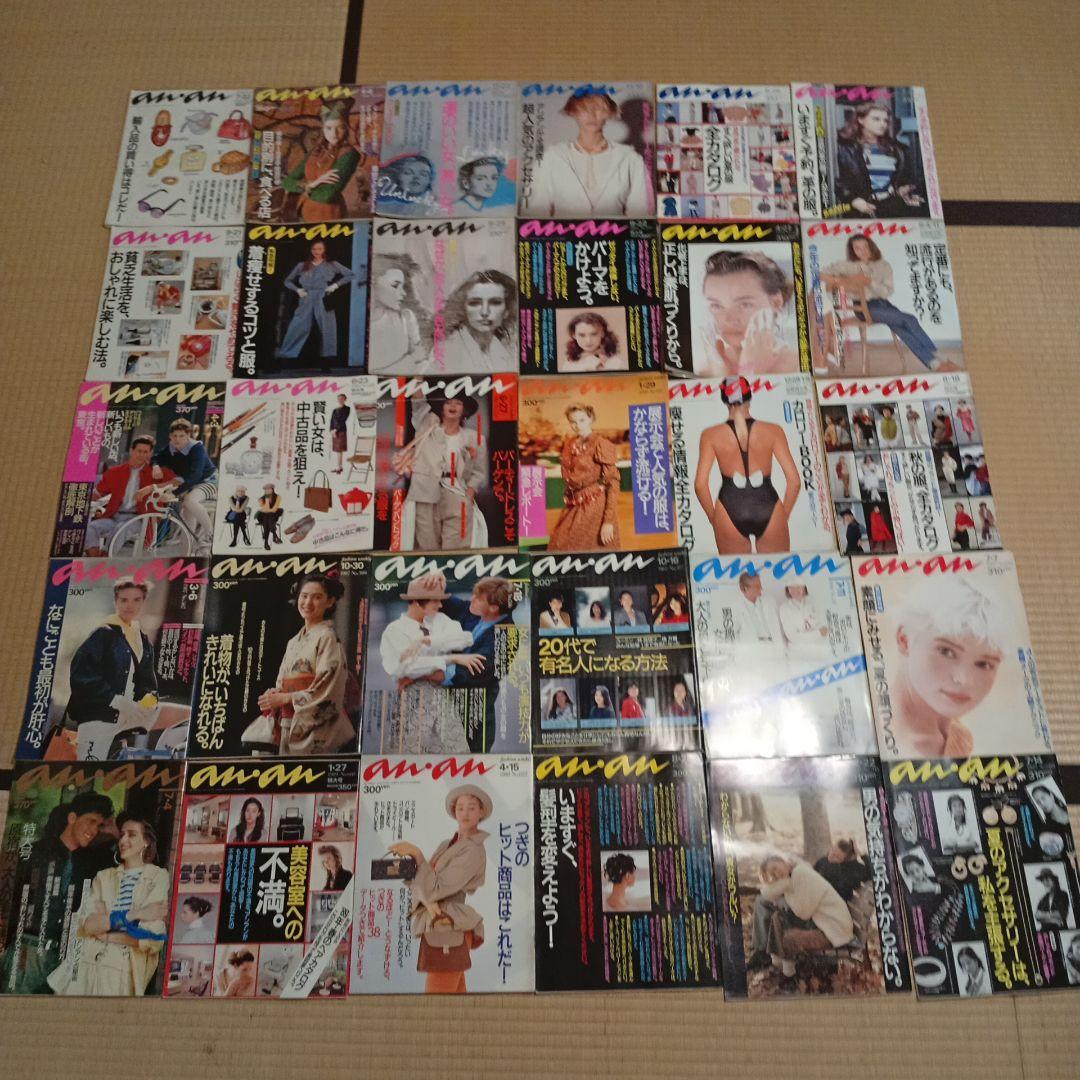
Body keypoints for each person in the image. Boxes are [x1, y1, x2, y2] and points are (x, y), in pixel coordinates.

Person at [0, 791, 114, 993]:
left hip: (64, 959)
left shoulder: (90, 863)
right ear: (72, 818)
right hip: (28, 951)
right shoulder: (34, 853)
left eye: (99, 825)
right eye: (90, 821)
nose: (94, 830)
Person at [387, 784, 492, 993]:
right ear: (454, 811)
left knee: (436, 1002)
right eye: (460, 807)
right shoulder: (448, 844)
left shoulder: (473, 849)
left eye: (472, 807)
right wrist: (402, 869)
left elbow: (434, 887)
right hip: (441, 923)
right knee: (455, 1000)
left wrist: (417, 855)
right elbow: (426, 881)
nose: (465, 813)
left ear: (481, 812)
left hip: (448, 924)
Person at [50, 815, 169, 996]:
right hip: (85, 965)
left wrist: (105, 934)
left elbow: (153, 937)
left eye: (132, 835)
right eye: (122, 835)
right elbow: (88, 925)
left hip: (122, 972)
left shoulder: (157, 876)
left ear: (146, 842)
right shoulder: (104, 877)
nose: (123, 840)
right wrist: (135, 914)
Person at [890, 574, 1009, 756]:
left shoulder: (959, 736)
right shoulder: (890, 738)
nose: (963, 679)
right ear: (905, 640)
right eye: (946, 652)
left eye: (984, 664)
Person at [253, 571, 357, 755]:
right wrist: (275, 694)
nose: (308, 603)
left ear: (330, 602)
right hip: (288, 723)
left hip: (315, 730)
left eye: (317, 597)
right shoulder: (293, 642)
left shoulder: (327, 637)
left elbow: (328, 690)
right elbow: (282, 683)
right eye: (304, 596)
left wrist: (286, 698)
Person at [693, 376, 801, 554]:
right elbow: (794, 481)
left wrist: (714, 519)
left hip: (728, 508)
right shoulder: (773, 430)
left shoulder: (710, 435)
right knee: (776, 571)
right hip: (769, 506)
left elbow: (700, 485)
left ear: (724, 401)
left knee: (736, 572)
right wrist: (784, 515)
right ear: (749, 398)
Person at [60, 576, 158, 754]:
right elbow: (81, 675)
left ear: (143, 602)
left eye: (136, 600)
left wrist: (149, 699)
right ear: (116, 602)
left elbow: (147, 682)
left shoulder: (143, 641)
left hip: (126, 723)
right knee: (90, 768)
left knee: (115, 771)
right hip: (97, 719)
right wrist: (116, 700)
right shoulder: (103, 634)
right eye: (124, 600)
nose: (130, 605)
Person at [823, 235, 943, 369]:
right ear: (853, 250)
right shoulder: (846, 266)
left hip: (884, 304)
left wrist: (870, 282)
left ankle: (932, 362)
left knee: (900, 327)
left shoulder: (884, 266)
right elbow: (821, 274)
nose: (862, 251)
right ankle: (935, 354)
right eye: (857, 248)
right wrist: (841, 281)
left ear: (871, 246)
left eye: (865, 246)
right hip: (863, 308)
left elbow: (887, 292)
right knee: (910, 319)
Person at [392, 387, 486, 551]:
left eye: (458, 403)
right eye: (448, 402)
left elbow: (478, 471)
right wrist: (418, 377)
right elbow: (418, 402)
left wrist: (470, 493)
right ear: (441, 406)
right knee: (426, 546)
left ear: (464, 410)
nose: (453, 406)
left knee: (457, 547)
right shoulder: (426, 424)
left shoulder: (474, 438)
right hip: (424, 491)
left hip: (457, 491)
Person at [529, 91, 650, 217]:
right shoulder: (552, 157)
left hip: (614, 230)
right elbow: (535, 212)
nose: (591, 115)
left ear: (609, 113)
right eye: (584, 109)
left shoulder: (630, 159)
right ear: (573, 112)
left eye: (598, 108)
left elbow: (640, 214)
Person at [747, 855, 856, 983]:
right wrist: (784, 884)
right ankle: (779, 966)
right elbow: (766, 893)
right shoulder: (794, 875)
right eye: (773, 876)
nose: (776, 874)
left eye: (775, 868)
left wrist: (784, 885)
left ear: (783, 861)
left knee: (790, 938)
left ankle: (789, 978)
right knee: (777, 917)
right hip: (825, 925)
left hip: (835, 932)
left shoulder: (800, 873)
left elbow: (803, 913)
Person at [695, 249, 798, 376]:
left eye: (744, 304)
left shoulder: (797, 366)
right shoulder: (707, 371)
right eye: (716, 305)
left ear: (776, 303)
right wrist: (720, 371)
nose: (729, 319)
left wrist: (750, 370)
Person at [84, 436, 176, 555]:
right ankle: (95, 558)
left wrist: (155, 486)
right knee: (91, 527)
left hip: (139, 519)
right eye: (139, 451)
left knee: (121, 529)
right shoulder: (115, 472)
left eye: (145, 452)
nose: (141, 455)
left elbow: (176, 482)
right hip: (114, 517)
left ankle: (106, 556)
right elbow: (98, 493)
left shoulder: (155, 473)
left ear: (150, 454)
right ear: (132, 451)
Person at [834, 100, 926, 218]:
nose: (883, 124)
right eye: (876, 119)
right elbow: (839, 180)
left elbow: (906, 179)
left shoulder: (897, 149)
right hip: (861, 209)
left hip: (892, 207)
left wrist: (904, 189)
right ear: (861, 120)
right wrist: (853, 199)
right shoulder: (846, 148)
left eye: (885, 120)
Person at [549, 403, 621, 551]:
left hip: (595, 506)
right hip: (575, 503)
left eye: (582, 420)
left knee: (579, 548)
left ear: (591, 419)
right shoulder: (569, 444)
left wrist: (608, 521)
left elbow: (612, 482)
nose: (577, 426)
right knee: (559, 543)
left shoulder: (601, 444)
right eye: (573, 422)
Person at [281, 99, 361, 222]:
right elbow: (287, 182)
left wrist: (303, 187)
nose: (334, 133)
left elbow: (326, 195)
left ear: (346, 128)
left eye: (340, 128)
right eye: (328, 128)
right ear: (323, 129)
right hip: (304, 212)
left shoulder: (349, 154)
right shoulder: (316, 151)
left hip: (328, 215)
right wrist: (314, 183)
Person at [277, 240, 354, 363]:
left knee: (328, 327)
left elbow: (350, 275)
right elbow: (287, 281)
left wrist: (335, 285)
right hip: (306, 297)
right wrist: (298, 290)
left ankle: (327, 360)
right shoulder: (302, 265)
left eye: (319, 249)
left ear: (324, 250)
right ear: (310, 250)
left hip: (323, 296)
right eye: (314, 249)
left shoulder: (332, 264)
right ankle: (285, 357)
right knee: (298, 325)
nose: (316, 252)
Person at [152, 418, 217, 551]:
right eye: (175, 436)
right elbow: (156, 457)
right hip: (191, 484)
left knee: (189, 500)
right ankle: (186, 550)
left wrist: (174, 493)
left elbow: (196, 475)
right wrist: (156, 466)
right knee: (186, 513)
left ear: (188, 436)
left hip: (209, 481)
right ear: (170, 436)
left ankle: (210, 535)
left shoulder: (197, 448)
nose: (177, 439)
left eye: (182, 436)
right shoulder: (170, 448)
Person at [439, 270, 516, 372]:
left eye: (495, 302)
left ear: (507, 311)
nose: (485, 312)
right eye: (474, 303)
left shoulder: (505, 353)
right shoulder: (447, 352)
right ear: (463, 309)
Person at [369, 254, 425, 372]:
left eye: (403, 286)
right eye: (395, 285)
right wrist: (409, 360)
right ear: (372, 282)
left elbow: (421, 361)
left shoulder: (406, 318)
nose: (403, 293)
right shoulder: (356, 325)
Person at [778, 584, 830, 662]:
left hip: (820, 649)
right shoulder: (784, 608)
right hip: (798, 653)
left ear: (804, 587)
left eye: (798, 586)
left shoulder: (813, 602)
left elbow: (825, 628)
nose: (795, 590)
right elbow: (793, 637)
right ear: (787, 589)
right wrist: (817, 633)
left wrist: (805, 634)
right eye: (791, 587)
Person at [561, 312, 626, 372]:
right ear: (574, 335)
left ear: (602, 333)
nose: (588, 341)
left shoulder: (616, 363)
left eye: (594, 334)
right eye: (582, 335)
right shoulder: (569, 364)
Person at [732, 571, 775, 641]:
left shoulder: (770, 601)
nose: (761, 588)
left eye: (760, 585)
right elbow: (731, 636)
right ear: (745, 588)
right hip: (752, 646)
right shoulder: (734, 609)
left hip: (774, 645)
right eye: (757, 586)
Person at [255, 483, 283, 550]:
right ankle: (275, 535)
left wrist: (265, 510)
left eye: (269, 489)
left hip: (273, 516)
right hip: (262, 517)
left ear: (272, 489)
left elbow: (274, 510)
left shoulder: (278, 497)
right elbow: (266, 509)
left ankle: (266, 543)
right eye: (266, 489)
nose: (267, 490)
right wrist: (267, 499)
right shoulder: (261, 499)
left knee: (268, 518)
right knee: (267, 517)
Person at [330, 394, 350, 473]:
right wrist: (331, 430)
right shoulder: (335, 410)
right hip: (334, 432)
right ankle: (340, 467)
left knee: (339, 449)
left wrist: (336, 430)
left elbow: (343, 420)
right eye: (339, 399)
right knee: (337, 450)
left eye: (342, 398)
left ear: (345, 399)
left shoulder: (347, 409)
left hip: (341, 431)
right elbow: (332, 421)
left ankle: (339, 467)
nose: (340, 400)